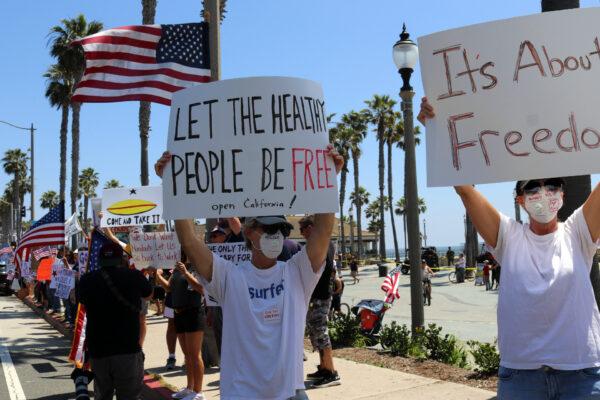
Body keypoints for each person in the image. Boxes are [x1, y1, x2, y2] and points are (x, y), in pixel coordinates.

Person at [419, 97, 600, 399]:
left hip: (581, 375)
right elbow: (464, 188)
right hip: (521, 378)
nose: (544, 194)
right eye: (533, 187)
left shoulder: (578, 233)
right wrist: (435, 131)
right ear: (520, 199)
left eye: (552, 185)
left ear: (563, 194)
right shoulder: (508, 237)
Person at [154, 144, 343, 400]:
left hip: (290, 394)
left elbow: (322, 232)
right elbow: (189, 241)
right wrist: (172, 187)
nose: (275, 235)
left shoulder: (297, 273)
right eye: (268, 228)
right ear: (249, 231)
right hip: (241, 394)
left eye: (281, 229)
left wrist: (329, 181)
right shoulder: (229, 276)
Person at [79, 240, 153, 400]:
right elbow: (148, 295)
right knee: (129, 396)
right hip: (127, 350)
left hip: (99, 351)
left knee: (102, 395)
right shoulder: (134, 276)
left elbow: (80, 301)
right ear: (121, 259)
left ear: (99, 260)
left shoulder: (87, 279)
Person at [155, 252, 206, 400]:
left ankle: (199, 391)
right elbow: (169, 288)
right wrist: (158, 277)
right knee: (187, 355)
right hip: (179, 313)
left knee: (195, 355)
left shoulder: (198, 267)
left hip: (193, 312)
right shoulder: (177, 268)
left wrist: (186, 273)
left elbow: (201, 288)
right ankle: (189, 388)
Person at [299, 215, 341, 388]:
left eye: (302, 230)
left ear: (311, 228)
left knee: (321, 332)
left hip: (321, 295)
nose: (301, 234)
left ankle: (331, 372)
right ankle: (324, 368)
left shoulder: (321, 243)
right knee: (316, 331)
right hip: (319, 294)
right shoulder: (325, 243)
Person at [155, 269, 178, 370]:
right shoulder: (164, 263)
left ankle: (188, 357)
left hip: (187, 300)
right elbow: (168, 287)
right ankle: (171, 356)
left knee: (186, 329)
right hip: (170, 301)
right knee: (171, 325)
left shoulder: (189, 263)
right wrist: (157, 275)